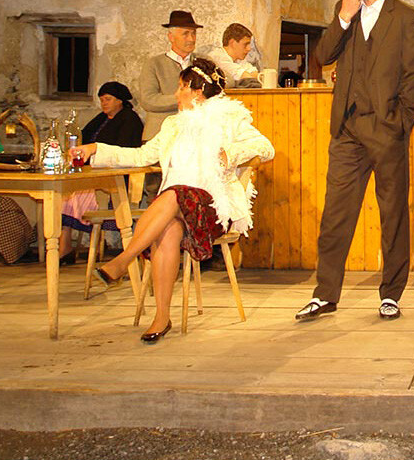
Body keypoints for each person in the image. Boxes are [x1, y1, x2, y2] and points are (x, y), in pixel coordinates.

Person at [80, 59, 275, 341]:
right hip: (173, 207)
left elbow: (265, 148)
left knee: (174, 194)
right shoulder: (173, 125)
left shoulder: (230, 118)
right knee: (169, 228)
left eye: (180, 87)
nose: (175, 94)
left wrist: (230, 153)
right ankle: (161, 317)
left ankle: (123, 260)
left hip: (212, 207)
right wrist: (95, 150)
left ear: (197, 91)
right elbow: (140, 156)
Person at [295, 0, 414, 322]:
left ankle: (391, 293)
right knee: (335, 214)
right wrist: (342, 16)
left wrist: (399, 122)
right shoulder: (346, 8)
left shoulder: (405, 17)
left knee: (392, 215)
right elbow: (323, 55)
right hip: (347, 130)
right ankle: (325, 294)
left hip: (387, 130)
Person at [59, 81, 146, 254]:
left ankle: (66, 246)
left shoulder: (130, 119)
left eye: (108, 99)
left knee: (76, 194)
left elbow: (124, 149)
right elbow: (83, 136)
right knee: (65, 192)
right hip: (92, 171)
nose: (104, 103)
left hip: (116, 174)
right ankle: (65, 241)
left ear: (119, 101)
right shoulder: (102, 118)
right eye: (102, 100)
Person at [139, 9, 203, 137]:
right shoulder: (153, 64)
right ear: (171, 37)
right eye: (185, 34)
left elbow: (224, 81)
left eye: (193, 33)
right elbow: (148, 100)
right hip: (160, 136)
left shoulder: (202, 62)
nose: (191, 39)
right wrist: (185, 98)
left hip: (194, 136)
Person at [204, 23, 264, 88]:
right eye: (245, 44)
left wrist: (251, 76)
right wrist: (249, 76)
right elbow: (247, 78)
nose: (249, 49)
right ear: (232, 43)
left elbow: (257, 76)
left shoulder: (239, 60)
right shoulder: (217, 57)